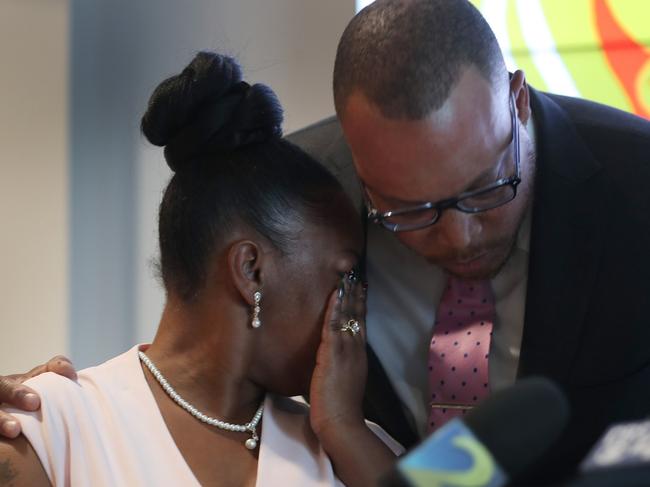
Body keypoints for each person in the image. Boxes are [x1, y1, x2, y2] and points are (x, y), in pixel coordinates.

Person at [2, 0, 650, 483]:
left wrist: (342, 431)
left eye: (486, 187)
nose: (459, 234)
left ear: (516, 100)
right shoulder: (311, 197)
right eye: (410, 210)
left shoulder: (634, 182)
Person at [0, 52, 401, 487]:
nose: (358, 310)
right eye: (345, 277)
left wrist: (345, 428)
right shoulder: (47, 427)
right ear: (251, 271)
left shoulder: (359, 453)